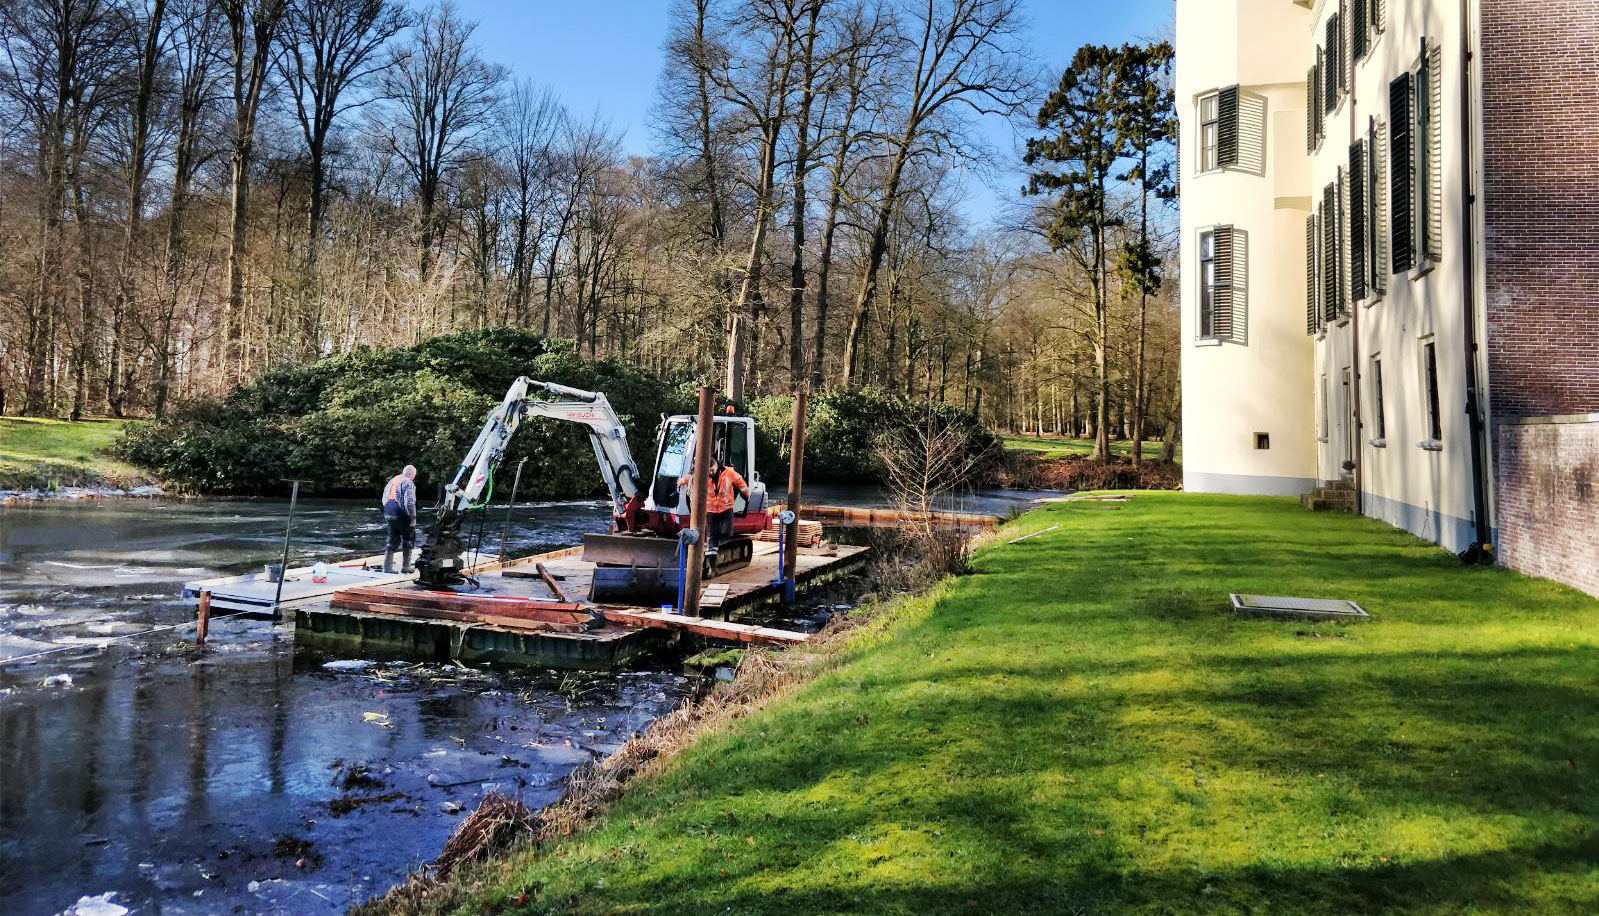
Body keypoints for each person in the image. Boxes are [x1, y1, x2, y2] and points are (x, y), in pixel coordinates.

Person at [681, 453, 750, 555]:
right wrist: (681, 481)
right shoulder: (701, 474)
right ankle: (712, 552)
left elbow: (740, 482)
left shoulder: (729, 472)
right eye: (709, 472)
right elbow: (689, 478)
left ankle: (723, 548)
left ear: (716, 465)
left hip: (726, 507)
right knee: (712, 533)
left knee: (726, 532)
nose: (711, 473)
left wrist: (746, 493)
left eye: (712, 470)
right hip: (711, 509)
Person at [381, 465, 418, 573]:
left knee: (392, 540)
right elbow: (409, 502)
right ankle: (406, 567)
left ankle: (387, 568)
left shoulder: (393, 480)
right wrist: (413, 518)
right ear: (413, 474)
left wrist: (389, 510)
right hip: (400, 512)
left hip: (388, 511)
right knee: (409, 539)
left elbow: (384, 498)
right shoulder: (408, 482)